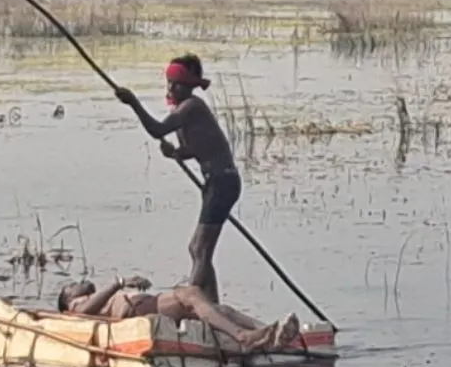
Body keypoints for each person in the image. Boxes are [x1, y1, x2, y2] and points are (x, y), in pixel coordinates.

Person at [114, 55, 240, 304]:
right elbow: (199, 148)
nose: (171, 88)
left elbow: (158, 130)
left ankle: (190, 301)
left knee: (200, 248)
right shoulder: (185, 112)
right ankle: (212, 305)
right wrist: (176, 153)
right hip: (214, 182)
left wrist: (133, 103)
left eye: (177, 84)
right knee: (199, 250)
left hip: (223, 182)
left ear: (190, 85)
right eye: (169, 82)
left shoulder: (191, 107)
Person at [57, 275, 300, 350]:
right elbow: (82, 314)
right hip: (141, 311)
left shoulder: (94, 298)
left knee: (220, 310)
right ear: (68, 299)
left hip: (148, 305)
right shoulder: (77, 306)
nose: (80, 282)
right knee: (190, 293)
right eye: (72, 285)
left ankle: (269, 332)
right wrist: (119, 283)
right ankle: (242, 336)